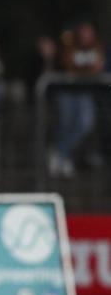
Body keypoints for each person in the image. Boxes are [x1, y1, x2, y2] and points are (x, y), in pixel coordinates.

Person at [51, 20, 105, 178]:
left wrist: (88, 70)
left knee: (85, 124)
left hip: (84, 91)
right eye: (83, 31)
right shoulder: (69, 45)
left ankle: (60, 153)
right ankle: (61, 157)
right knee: (66, 124)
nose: (86, 35)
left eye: (89, 31)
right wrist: (89, 70)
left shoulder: (98, 46)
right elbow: (69, 65)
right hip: (67, 91)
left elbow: (100, 66)